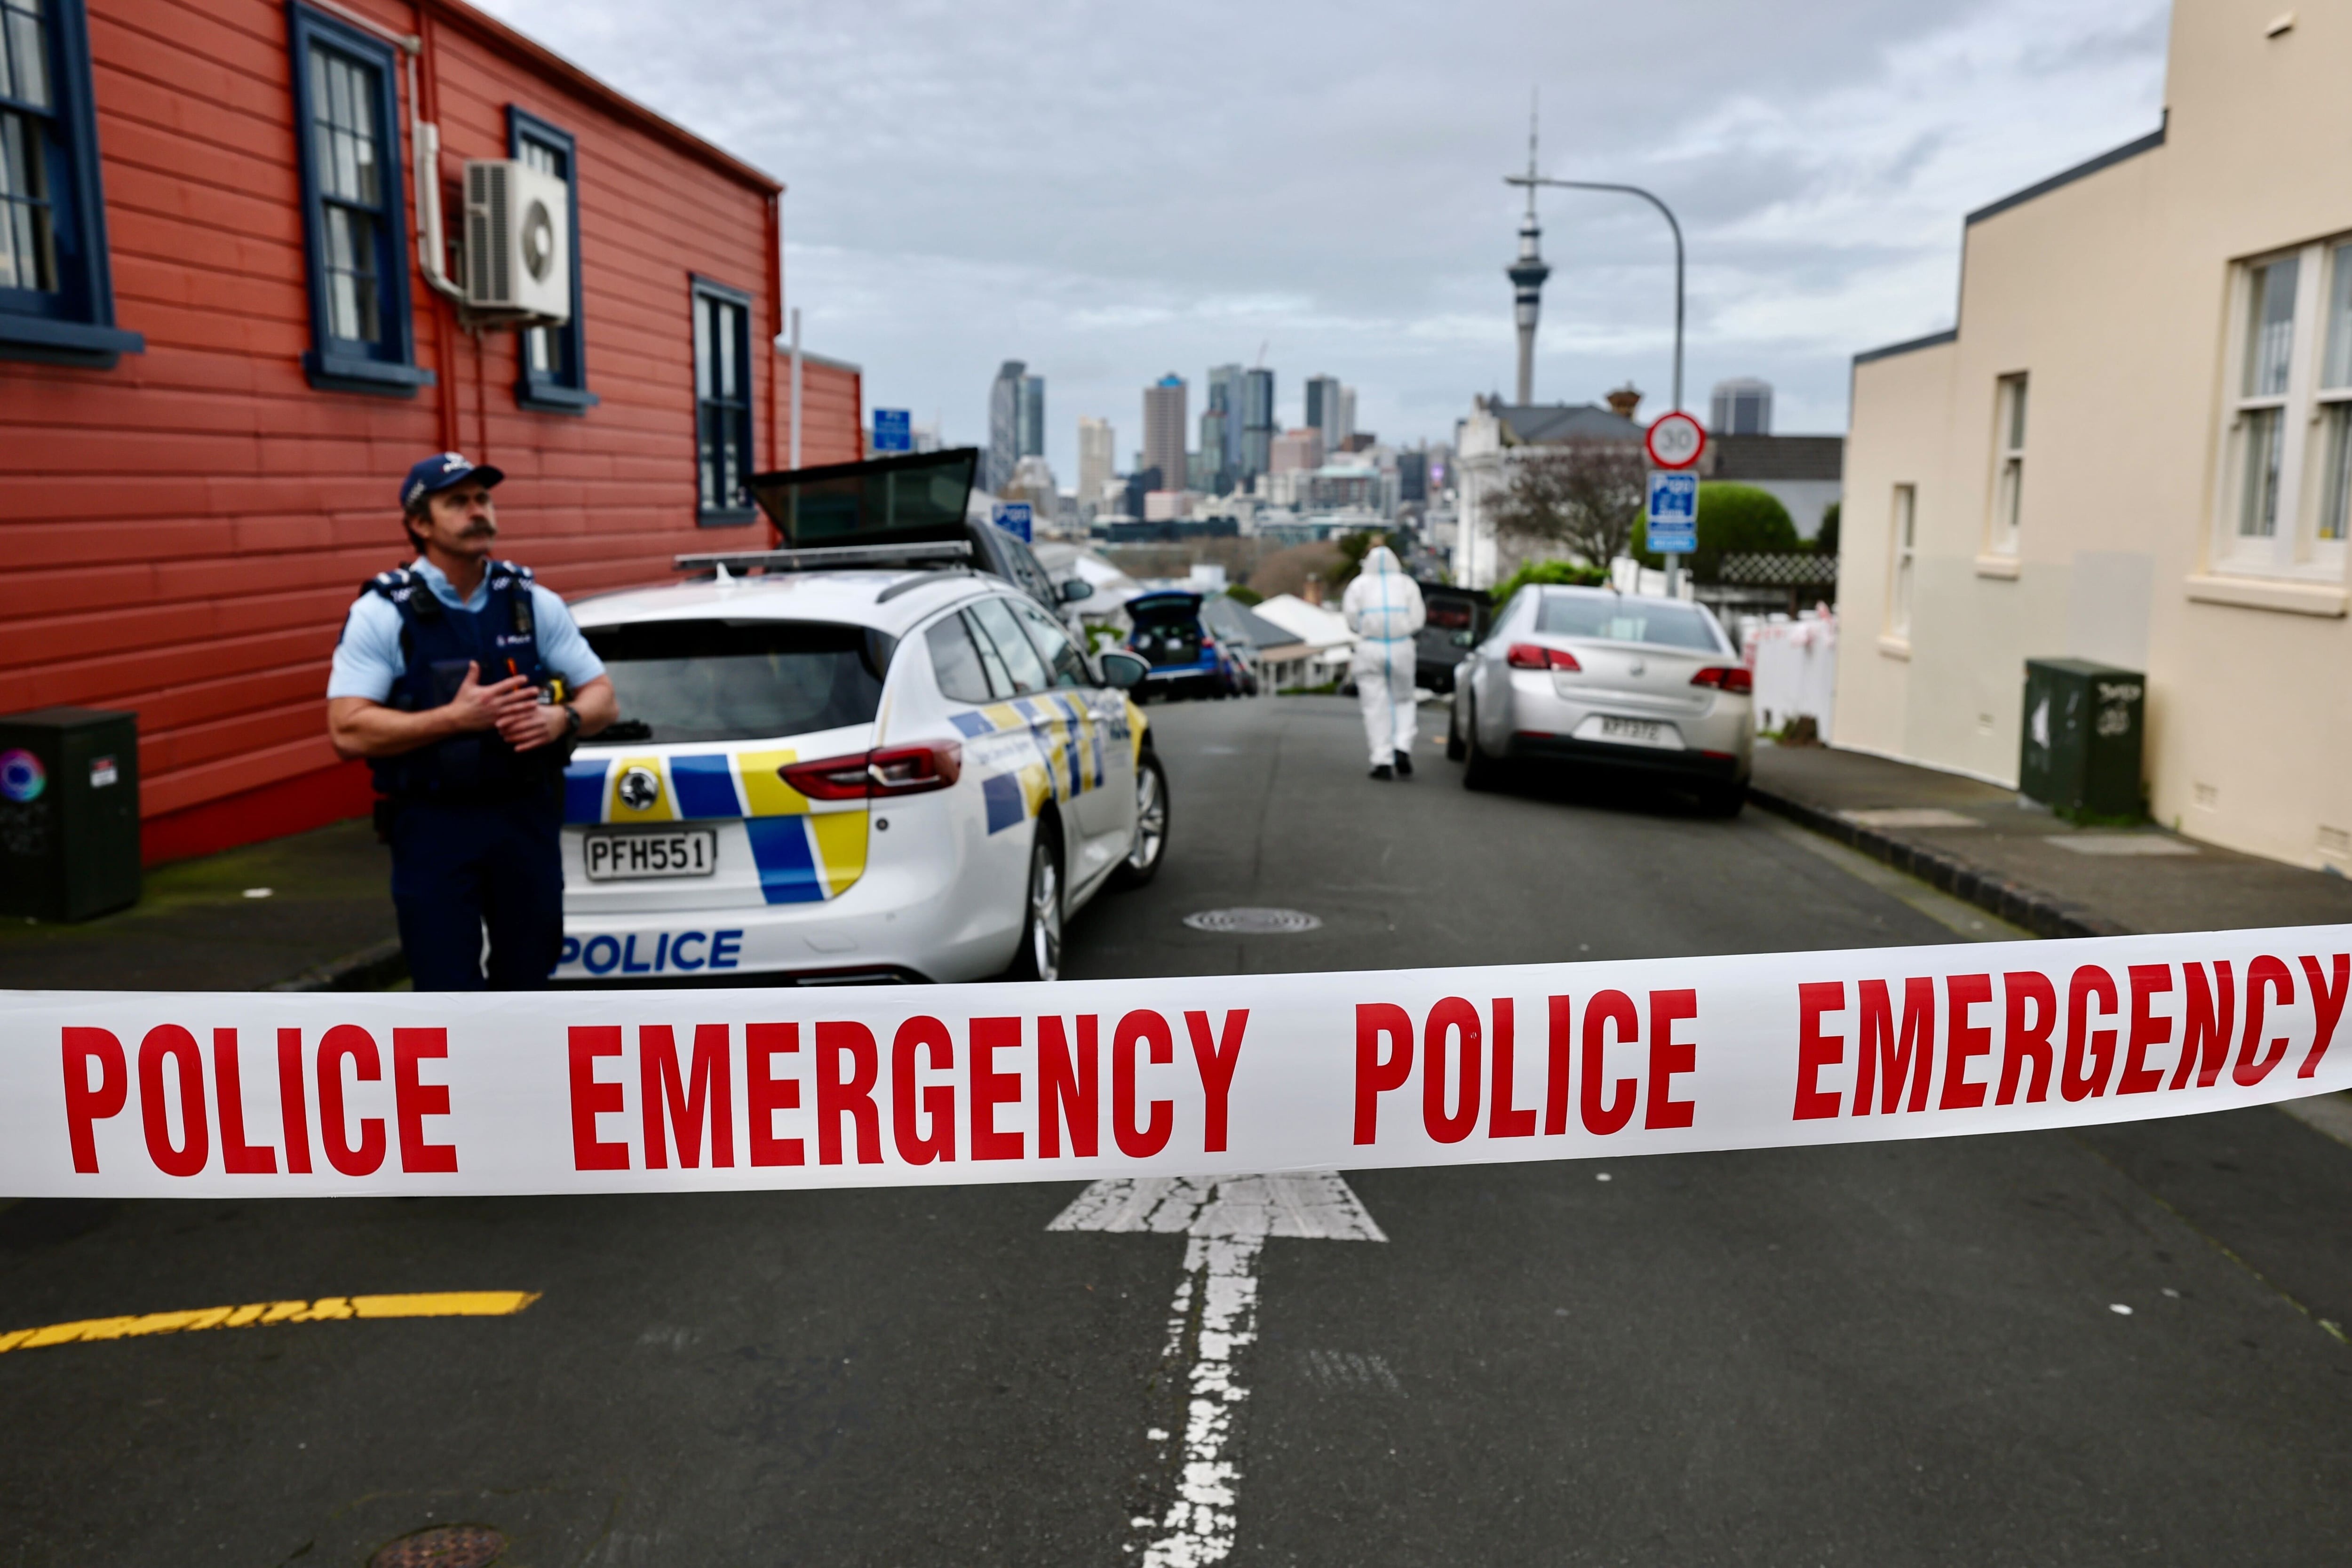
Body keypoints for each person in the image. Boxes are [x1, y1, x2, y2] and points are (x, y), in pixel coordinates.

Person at [326, 454, 617, 990]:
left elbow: (603, 697)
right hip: (434, 826)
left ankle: (522, 1076)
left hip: (524, 818)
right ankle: (466, 1076)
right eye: (456, 502)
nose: (476, 511)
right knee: (445, 984)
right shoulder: (384, 611)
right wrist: (456, 719)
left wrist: (562, 718)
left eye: (482, 499)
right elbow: (347, 730)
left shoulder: (531, 602)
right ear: (420, 524)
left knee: (530, 975)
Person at [1340, 543, 1426, 780]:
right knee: (1404, 699)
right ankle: (1402, 745)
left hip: (1370, 647)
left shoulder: (1359, 586)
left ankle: (1382, 760)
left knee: (1374, 705)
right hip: (1402, 647)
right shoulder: (1407, 585)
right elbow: (1418, 619)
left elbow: (1351, 620)